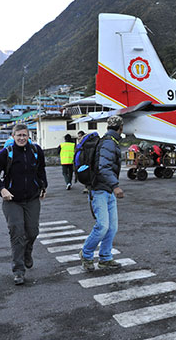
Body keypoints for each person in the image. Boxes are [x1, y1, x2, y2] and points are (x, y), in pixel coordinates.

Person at [0, 124, 47, 285]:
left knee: (32, 232)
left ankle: (28, 252)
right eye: (18, 135)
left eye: (24, 135)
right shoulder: (6, 153)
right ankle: (18, 270)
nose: (21, 138)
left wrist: (43, 186)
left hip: (32, 198)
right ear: (13, 136)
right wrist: (2, 190)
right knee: (17, 232)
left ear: (29, 136)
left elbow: (41, 170)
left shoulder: (36, 151)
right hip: (12, 200)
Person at [79, 116, 124, 272]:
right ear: (121, 128)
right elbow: (103, 167)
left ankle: (105, 258)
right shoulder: (109, 143)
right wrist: (115, 186)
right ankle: (86, 254)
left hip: (107, 190)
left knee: (112, 228)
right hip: (99, 190)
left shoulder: (110, 141)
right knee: (102, 226)